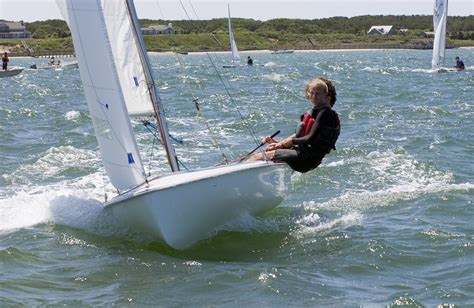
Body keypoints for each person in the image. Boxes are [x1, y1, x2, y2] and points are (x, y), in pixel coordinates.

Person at [250, 78, 340, 173]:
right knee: (262, 153)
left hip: (305, 158)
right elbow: (301, 139)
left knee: (257, 157)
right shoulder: (316, 114)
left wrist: (282, 144)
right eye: (312, 93)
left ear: (326, 96)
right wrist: (277, 144)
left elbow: (310, 139)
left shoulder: (325, 113)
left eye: (318, 93)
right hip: (306, 157)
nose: (314, 96)